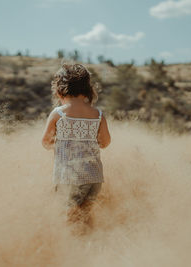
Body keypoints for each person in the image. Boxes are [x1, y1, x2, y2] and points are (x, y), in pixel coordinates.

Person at [41, 63, 111, 232]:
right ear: (88, 89)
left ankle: (74, 251)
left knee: (69, 218)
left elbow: (45, 141)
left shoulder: (59, 113)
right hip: (94, 177)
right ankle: (90, 247)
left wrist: (59, 144)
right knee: (86, 217)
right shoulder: (98, 114)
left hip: (69, 177)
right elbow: (105, 142)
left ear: (59, 90)